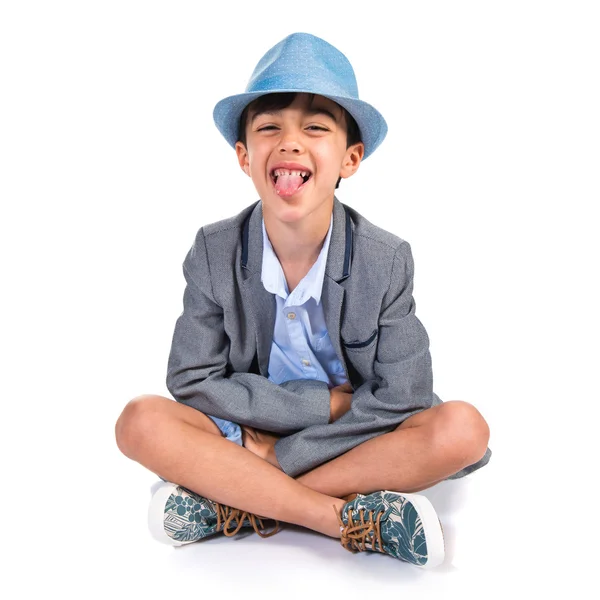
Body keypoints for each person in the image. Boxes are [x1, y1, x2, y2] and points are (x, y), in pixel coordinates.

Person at [115, 32, 491, 568]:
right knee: (140, 421)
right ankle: (340, 518)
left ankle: (238, 504)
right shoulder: (213, 251)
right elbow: (191, 381)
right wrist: (317, 404)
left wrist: (281, 453)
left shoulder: (385, 259)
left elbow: (404, 397)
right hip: (249, 428)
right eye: (270, 128)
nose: (290, 142)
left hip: (353, 433)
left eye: (315, 128)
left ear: (350, 159)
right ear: (245, 156)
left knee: (463, 429)